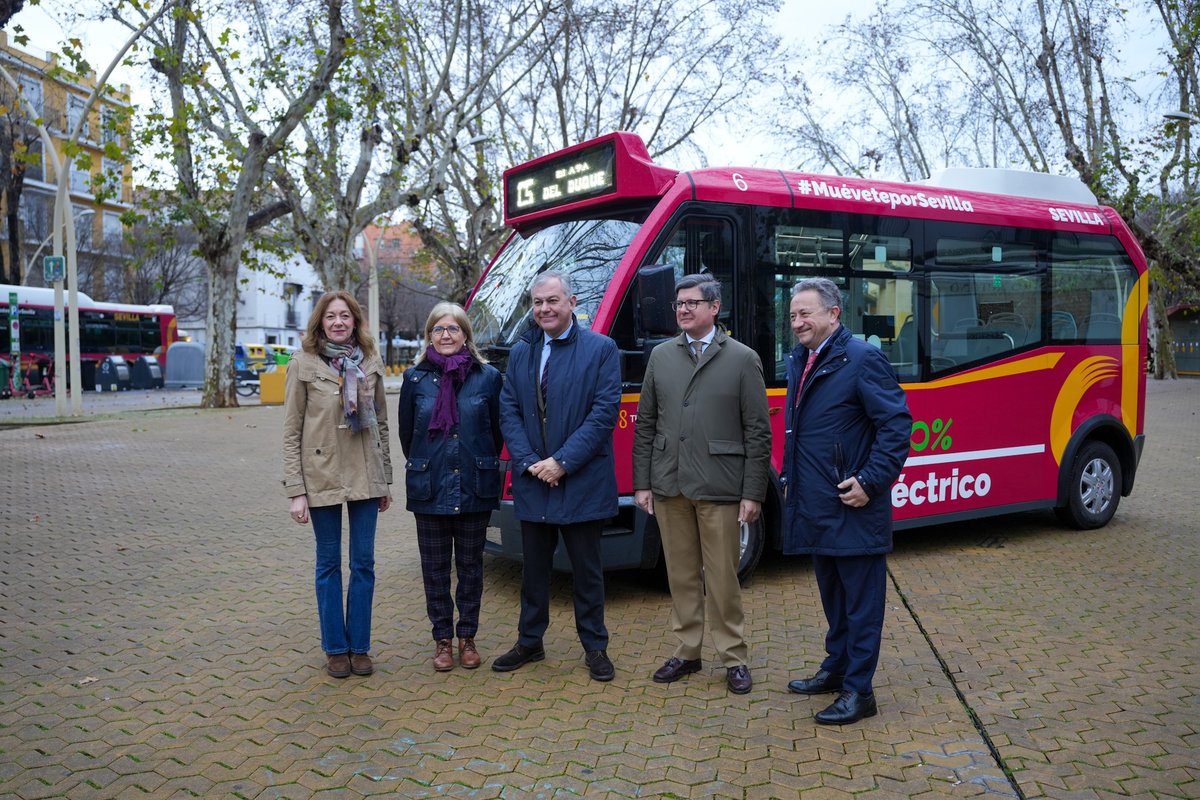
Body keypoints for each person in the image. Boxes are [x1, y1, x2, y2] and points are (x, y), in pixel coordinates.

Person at [632, 274, 771, 695]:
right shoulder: (661, 356)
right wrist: (643, 483)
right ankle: (687, 651)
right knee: (681, 574)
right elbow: (646, 423)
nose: (683, 310)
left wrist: (753, 492)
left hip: (720, 485)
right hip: (669, 483)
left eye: (692, 303)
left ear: (715, 308)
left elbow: (758, 432)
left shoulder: (743, 358)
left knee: (723, 577)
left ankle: (734, 657)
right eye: (678, 304)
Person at [782, 277, 911, 724]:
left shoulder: (862, 359)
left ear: (833, 314)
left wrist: (872, 482)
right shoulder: (802, 359)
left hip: (853, 505)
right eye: (793, 314)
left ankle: (860, 692)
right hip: (818, 505)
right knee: (834, 599)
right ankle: (836, 669)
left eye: (806, 313)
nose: (797, 322)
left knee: (861, 606)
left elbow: (896, 427)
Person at [495, 270, 621, 682]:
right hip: (535, 480)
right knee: (533, 573)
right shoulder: (521, 353)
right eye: (537, 303)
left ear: (571, 302)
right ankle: (529, 642)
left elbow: (603, 415)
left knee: (587, 573)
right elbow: (509, 409)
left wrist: (562, 462)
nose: (544, 309)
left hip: (581, 481)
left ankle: (596, 648)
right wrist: (532, 460)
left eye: (552, 301)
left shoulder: (602, 349)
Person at [282, 291, 393, 679]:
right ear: (320, 322)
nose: (339, 322)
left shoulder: (371, 361)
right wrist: (296, 489)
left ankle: (359, 647)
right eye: (331, 316)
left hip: (365, 476)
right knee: (328, 564)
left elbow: (380, 424)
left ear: (355, 321)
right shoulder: (304, 363)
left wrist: (385, 481)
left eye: (345, 316)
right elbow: (292, 429)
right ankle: (335, 648)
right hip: (321, 476)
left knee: (363, 563)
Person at [398, 303, 503, 672]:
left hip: (475, 484)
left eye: (453, 329)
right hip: (430, 487)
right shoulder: (414, 380)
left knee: (472, 568)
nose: (446, 335)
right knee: (435, 569)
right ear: (430, 335)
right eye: (439, 329)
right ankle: (442, 639)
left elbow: (496, 430)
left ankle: (467, 636)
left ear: (465, 336)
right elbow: (407, 436)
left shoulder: (487, 377)